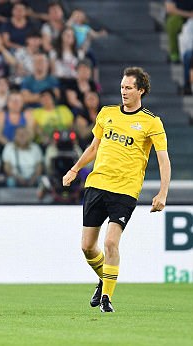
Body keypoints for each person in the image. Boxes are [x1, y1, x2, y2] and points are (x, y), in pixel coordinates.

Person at [62, 67, 171, 313]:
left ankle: (107, 299)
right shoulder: (106, 113)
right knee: (87, 247)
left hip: (125, 190)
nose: (124, 91)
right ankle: (105, 280)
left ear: (141, 90)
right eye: (122, 87)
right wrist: (74, 169)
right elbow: (93, 148)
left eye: (129, 88)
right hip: (97, 184)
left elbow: (163, 159)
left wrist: (163, 193)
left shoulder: (151, 122)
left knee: (111, 242)